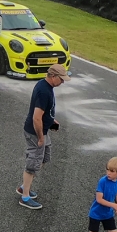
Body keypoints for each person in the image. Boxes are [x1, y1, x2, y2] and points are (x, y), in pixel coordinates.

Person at [18, 64, 69, 210]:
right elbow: (36, 118)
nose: (63, 82)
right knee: (32, 164)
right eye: (61, 79)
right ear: (53, 76)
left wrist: (51, 120)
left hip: (43, 130)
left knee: (43, 159)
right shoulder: (44, 91)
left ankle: (24, 187)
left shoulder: (45, 85)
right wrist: (40, 137)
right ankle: (25, 197)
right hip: (35, 132)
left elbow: (43, 111)